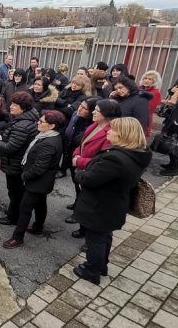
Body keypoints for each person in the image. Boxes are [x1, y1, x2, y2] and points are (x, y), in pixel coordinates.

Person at [73, 117, 152, 285]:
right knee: (104, 237)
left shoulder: (116, 159)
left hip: (100, 205)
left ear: (123, 135)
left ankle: (91, 270)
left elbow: (90, 179)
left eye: (113, 130)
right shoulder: (136, 154)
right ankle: (101, 266)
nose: (108, 131)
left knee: (95, 239)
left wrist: (79, 173)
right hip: (114, 203)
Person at [3, 110, 65, 248]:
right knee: (40, 203)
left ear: (52, 126)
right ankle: (38, 227)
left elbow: (39, 168)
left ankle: (17, 237)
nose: (38, 122)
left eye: (42, 122)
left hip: (38, 182)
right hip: (42, 182)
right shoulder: (48, 136)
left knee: (25, 209)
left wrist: (24, 176)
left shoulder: (48, 143)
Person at [67, 99, 123, 232]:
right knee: (82, 198)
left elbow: (103, 161)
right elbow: (83, 143)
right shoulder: (95, 125)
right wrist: (76, 154)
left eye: (97, 110)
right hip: (82, 168)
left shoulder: (111, 133)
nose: (93, 112)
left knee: (91, 205)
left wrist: (79, 161)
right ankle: (82, 227)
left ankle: (86, 232)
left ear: (107, 114)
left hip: (92, 172)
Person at [0, 92, 40, 226]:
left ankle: (13, 217)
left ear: (24, 108)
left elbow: (10, 147)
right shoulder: (27, 117)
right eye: (12, 103)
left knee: (15, 193)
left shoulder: (22, 125)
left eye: (15, 105)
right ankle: (15, 213)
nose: (11, 106)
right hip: (19, 162)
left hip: (15, 164)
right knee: (17, 192)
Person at [63, 96, 99, 208]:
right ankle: (77, 203)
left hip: (82, 158)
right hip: (71, 153)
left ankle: (79, 207)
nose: (79, 109)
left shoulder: (93, 125)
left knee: (81, 184)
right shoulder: (76, 115)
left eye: (84, 108)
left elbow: (80, 140)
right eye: (80, 105)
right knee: (75, 181)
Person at [139, 70, 163, 137]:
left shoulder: (156, 93)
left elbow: (148, 108)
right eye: (145, 78)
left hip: (144, 118)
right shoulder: (139, 89)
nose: (146, 81)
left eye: (150, 79)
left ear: (154, 82)